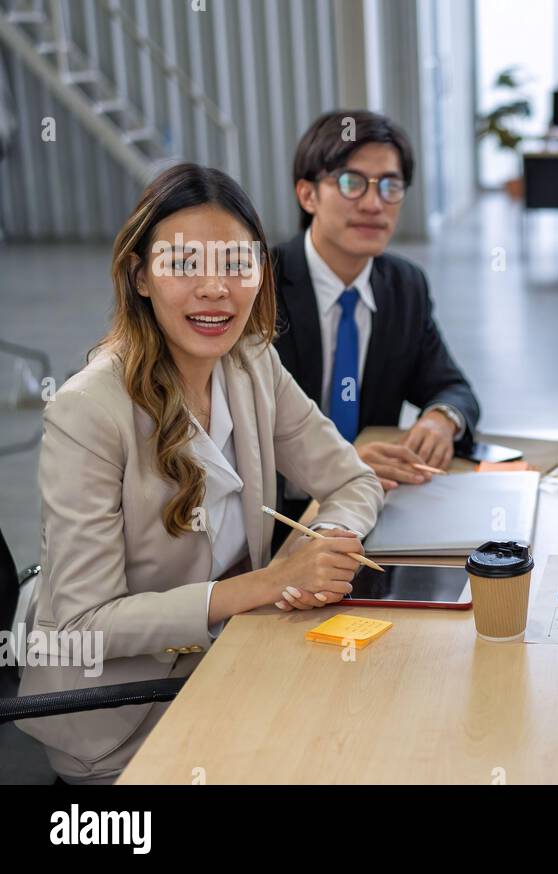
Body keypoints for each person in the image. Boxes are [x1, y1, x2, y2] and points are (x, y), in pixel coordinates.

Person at [17, 164, 384, 784]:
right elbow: (84, 625)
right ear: (140, 277)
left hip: (234, 659)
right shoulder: (87, 411)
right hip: (122, 717)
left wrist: (328, 542)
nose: (215, 289)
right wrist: (268, 584)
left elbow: (353, 482)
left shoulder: (251, 362)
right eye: (185, 264)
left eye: (236, 264)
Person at [274, 109, 479, 510]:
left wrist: (441, 419)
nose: (373, 203)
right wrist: (337, 469)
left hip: (370, 505)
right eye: (352, 183)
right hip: (278, 520)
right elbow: (231, 440)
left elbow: (451, 386)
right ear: (307, 194)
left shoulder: (404, 286)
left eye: (390, 186)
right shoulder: (261, 285)